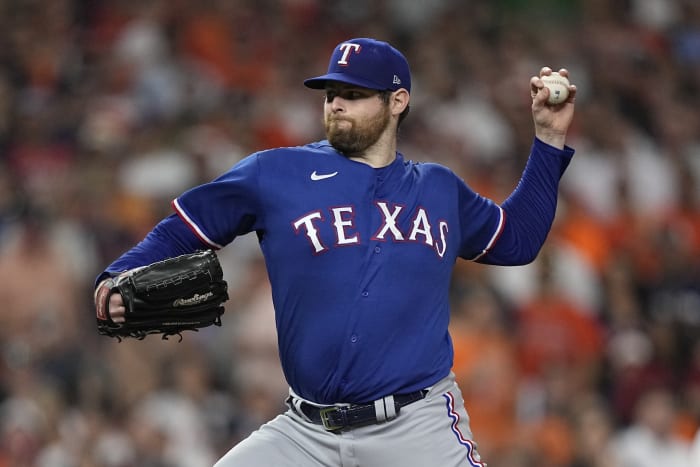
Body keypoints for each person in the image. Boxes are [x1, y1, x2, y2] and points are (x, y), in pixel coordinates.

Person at [94, 37, 577, 467]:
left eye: (354, 94)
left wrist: (549, 139)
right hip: (305, 433)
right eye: (331, 94)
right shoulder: (275, 173)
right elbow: (184, 229)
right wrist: (120, 273)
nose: (336, 105)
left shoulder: (438, 189)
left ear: (397, 102)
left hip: (416, 428)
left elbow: (517, 240)